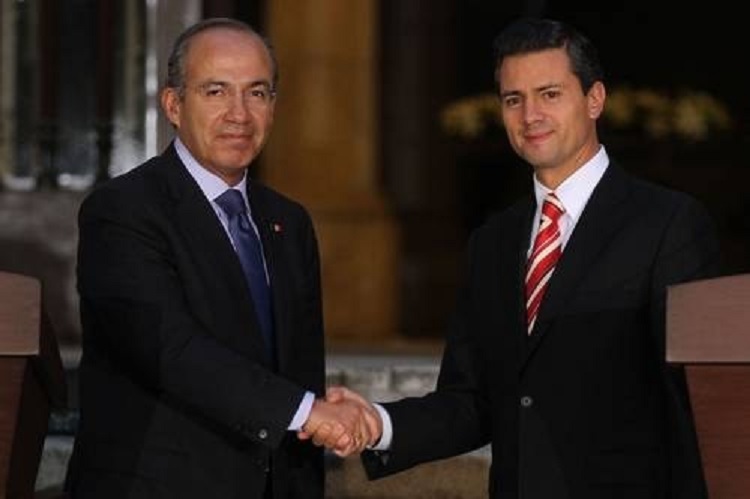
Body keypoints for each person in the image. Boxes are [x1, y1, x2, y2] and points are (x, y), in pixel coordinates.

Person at [313, 17, 721, 499]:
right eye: (513, 99)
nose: (530, 115)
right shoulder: (493, 241)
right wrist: (377, 422)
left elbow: (695, 402)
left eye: (549, 94)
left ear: (594, 99)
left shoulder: (668, 224)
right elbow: (472, 401)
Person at [64, 17, 376, 499]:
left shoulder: (288, 223)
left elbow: (298, 369)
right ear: (173, 105)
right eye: (216, 91)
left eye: (257, 93)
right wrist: (306, 411)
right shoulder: (122, 211)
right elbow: (172, 350)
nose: (239, 114)